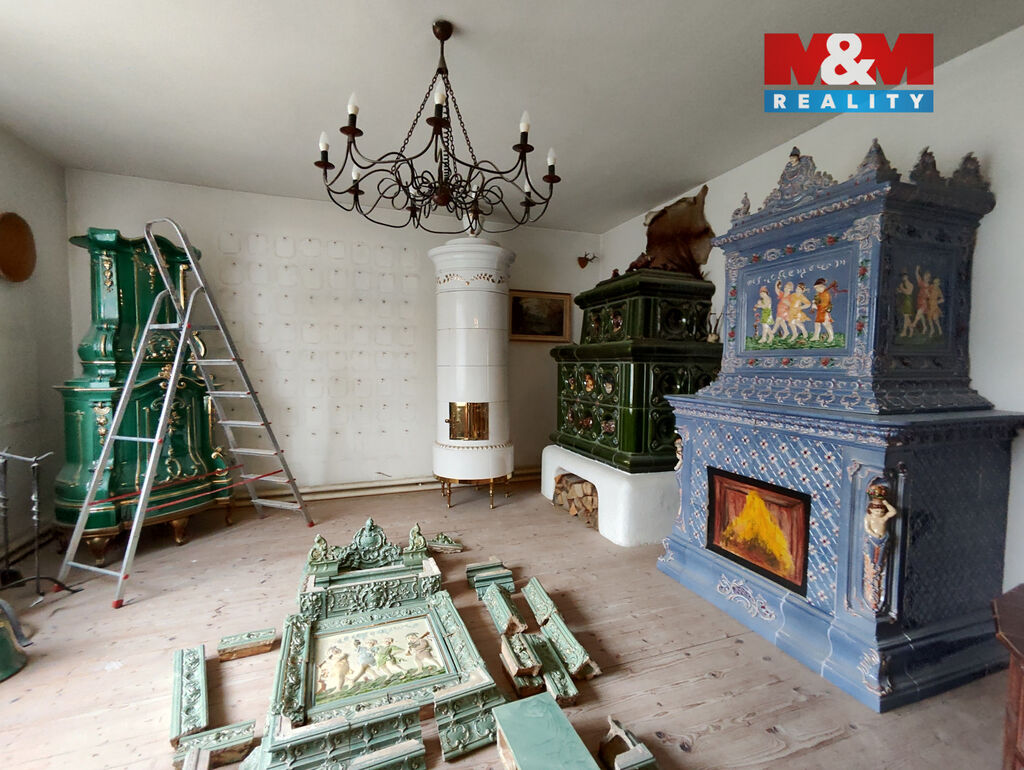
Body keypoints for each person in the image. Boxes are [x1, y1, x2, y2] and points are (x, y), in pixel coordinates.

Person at [810, 278, 836, 343]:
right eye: (816, 288)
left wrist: (817, 305)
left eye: (819, 288)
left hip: (824, 311)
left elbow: (824, 304)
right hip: (819, 312)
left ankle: (831, 336)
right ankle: (816, 336)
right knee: (817, 323)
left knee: (826, 324)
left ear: (823, 287)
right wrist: (815, 303)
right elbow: (817, 301)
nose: (817, 289)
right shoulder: (819, 294)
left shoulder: (826, 294)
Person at [912, 266, 932, 335]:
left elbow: (929, 296)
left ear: (929, 279)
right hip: (919, 300)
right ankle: (925, 327)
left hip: (924, 302)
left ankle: (914, 323)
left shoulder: (929, 286)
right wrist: (917, 270)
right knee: (921, 315)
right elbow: (917, 277)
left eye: (928, 277)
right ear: (924, 277)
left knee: (919, 312)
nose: (926, 278)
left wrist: (928, 294)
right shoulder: (922, 283)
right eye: (925, 276)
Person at [896, 271, 915, 337]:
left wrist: (902, 288)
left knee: (906, 317)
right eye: (902, 277)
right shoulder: (903, 284)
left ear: (907, 277)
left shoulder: (910, 284)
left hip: (908, 302)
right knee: (906, 318)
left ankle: (904, 332)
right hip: (904, 301)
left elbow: (908, 292)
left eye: (904, 276)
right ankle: (911, 330)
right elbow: (903, 292)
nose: (903, 278)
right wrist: (899, 291)